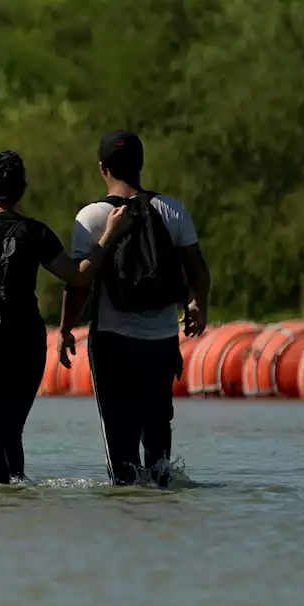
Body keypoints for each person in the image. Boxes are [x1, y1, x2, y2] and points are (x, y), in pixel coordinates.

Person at [0, 150, 131, 484]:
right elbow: (78, 276)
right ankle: (17, 498)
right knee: (11, 430)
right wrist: (109, 233)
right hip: (25, 345)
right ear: (21, 190)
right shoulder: (36, 233)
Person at [58, 130, 210, 487]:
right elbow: (198, 270)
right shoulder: (171, 209)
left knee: (118, 433)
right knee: (157, 428)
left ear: (102, 168)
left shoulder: (93, 216)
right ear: (141, 164)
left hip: (113, 340)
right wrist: (197, 305)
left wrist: (65, 329)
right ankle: (161, 497)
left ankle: (126, 507)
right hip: (160, 338)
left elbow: (79, 283)